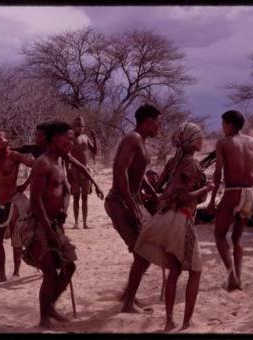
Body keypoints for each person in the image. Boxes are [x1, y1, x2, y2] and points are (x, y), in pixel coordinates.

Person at [134, 122, 214, 331]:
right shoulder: (192, 165)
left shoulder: (172, 162)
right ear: (191, 141)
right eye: (199, 137)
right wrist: (206, 187)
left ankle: (170, 320)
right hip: (181, 220)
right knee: (195, 272)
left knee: (175, 271)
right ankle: (186, 323)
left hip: (163, 218)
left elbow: (158, 189)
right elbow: (184, 195)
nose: (202, 140)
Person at [104, 104, 161, 312]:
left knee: (146, 251)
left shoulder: (140, 142)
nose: (159, 127)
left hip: (131, 200)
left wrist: (153, 194)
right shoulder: (133, 139)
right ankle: (128, 303)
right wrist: (130, 203)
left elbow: (139, 173)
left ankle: (128, 295)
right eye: (157, 122)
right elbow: (121, 172)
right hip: (121, 201)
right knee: (143, 253)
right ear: (147, 122)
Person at [22, 121, 78, 328]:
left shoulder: (60, 163)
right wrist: (47, 229)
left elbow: (65, 191)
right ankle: (44, 317)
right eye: (68, 138)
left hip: (55, 224)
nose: (71, 143)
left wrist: (63, 211)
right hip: (40, 224)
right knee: (49, 271)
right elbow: (35, 200)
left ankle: (50, 307)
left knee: (69, 266)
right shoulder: (42, 163)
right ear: (55, 139)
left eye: (72, 139)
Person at [207, 110, 253, 290]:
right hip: (250, 192)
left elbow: (217, 173)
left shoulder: (224, 143)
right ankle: (238, 277)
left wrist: (211, 201)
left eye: (224, 124)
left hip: (233, 191)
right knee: (237, 237)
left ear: (231, 124)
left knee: (219, 234)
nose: (222, 128)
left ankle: (232, 276)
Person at [0, 131, 34, 282]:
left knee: (16, 239)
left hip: (13, 201)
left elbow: (34, 165)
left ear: (7, 142)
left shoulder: (14, 156)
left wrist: (25, 185)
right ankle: (1, 274)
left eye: (0, 141)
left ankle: (16, 272)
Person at [67, 116, 99, 229]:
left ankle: (85, 223)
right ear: (73, 126)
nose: (80, 128)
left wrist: (94, 138)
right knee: (76, 197)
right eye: (78, 125)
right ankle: (76, 222)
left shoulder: (85, 137)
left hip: (85, 170)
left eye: (82, 125)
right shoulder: (69, 138)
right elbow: (66, 157)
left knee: (85, 197)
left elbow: (94, 151)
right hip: (74, 170)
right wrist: (67, 173)